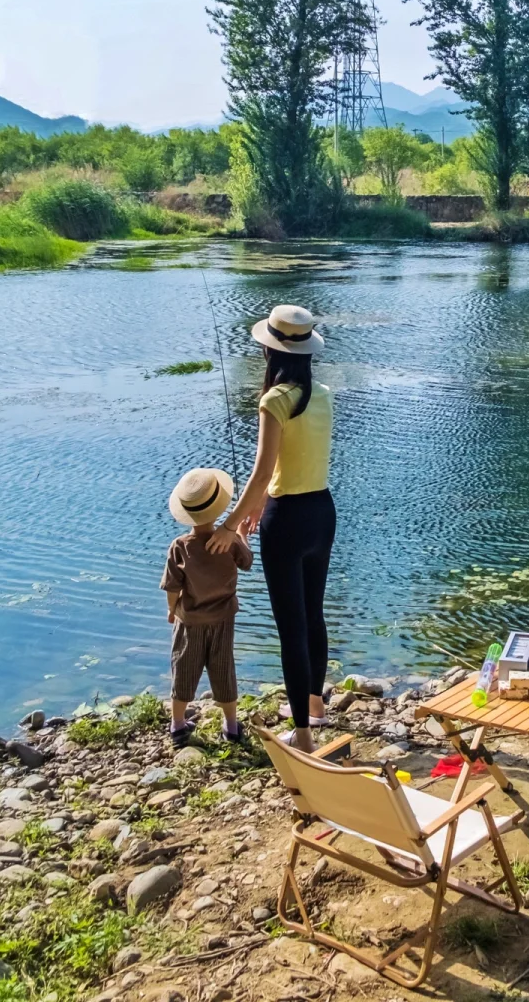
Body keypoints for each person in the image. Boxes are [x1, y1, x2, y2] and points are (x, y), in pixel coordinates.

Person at [208, 305, 334, 754]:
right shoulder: (322, 392)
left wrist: (227, 525)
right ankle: (315, 706)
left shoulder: (275, 399)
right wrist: (255, 508)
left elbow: (263, 474)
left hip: (287, 520)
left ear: (269, 350)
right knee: (314, 613)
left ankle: (301, 735)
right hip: (322, 511)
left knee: (290, 628)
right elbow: (292, 466)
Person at [161, 466, 252, 749]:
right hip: (224, 619)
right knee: (223, 668)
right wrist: (241, 533)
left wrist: (171, 610)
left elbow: (172, 586)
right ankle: (231, 726)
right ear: (218, 507)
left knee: (184, 667)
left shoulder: (181, 546)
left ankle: (177, 725)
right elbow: (247, 561)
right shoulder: (230, 542)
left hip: (189, 621)